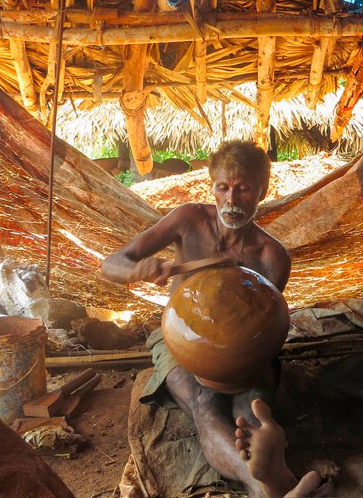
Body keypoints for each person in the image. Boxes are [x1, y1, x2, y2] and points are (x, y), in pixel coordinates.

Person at [102, 140, 298, 497]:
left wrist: (244, 366)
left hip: (244, 354)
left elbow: (266, 330)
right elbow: (110, 264)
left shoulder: (272, 257)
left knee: (250, 407)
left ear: (262, 191)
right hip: (177, 341)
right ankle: (262, 482)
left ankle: (267, 464)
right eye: (223, 187)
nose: (232, 200)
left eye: (243, 189)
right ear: (212, 186)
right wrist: (137, 269)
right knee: (204, 403)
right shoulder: (188, 219)